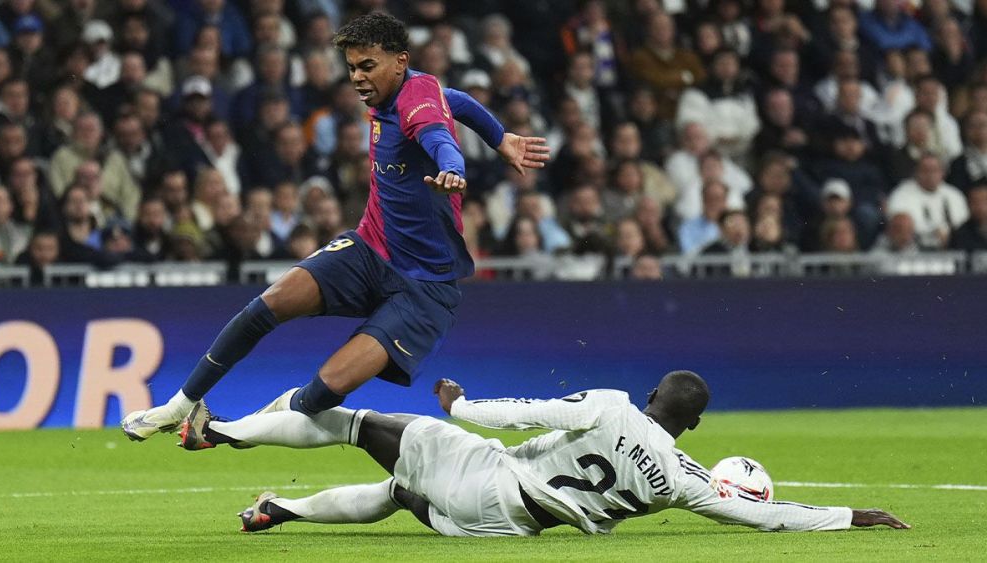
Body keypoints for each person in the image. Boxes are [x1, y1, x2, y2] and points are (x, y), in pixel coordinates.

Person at [122, 12, 550, 442]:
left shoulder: (416, 101)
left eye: (368, 66)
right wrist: (499, 138)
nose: (357, 78)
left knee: (322, 393)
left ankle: (223, 430)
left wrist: (452, 167)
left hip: (424, 291)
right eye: (351, 67)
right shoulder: (419, 88)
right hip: (369, 248)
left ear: (399, 61)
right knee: (271, 302)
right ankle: (178, 405)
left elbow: (437, 133)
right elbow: (455, 99)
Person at [175, 373, 909, 536]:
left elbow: (525, 409)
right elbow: (768, 519)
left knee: (354, 421)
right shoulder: (683, 480)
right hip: (506, 526)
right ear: (695, 426)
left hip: (491, 470)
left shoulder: (613, 404)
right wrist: (855, 515)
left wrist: (460, 407)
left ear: (655, 396)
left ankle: (219, 433)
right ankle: (280, 507)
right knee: (400, 493)